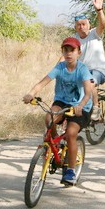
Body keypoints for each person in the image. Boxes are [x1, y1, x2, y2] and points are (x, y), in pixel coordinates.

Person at [23, 37, 94, 185]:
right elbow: (42, 83)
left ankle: (71, 171)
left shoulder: (82, 69)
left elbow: (88, 93)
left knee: (71, 133)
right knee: (49, 118)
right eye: (65, 50)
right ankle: (54, 143)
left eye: (72, 50)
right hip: (62, 102)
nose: (68, 53)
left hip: (81, 106)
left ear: (79, 52)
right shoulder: (60, 68)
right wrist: (31, 94)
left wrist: (81, 105)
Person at [72, 0, 105, 121]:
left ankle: (96, 107)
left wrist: (99, 10)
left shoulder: (95, 33)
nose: (81, 27)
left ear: (89, 25)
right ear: (75, 27)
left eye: (83, 24)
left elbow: (103, 24)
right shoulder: (74, 40)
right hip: (83, 71)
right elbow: (66, 56)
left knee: (90, 82)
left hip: (99, 71)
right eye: (78, 25)